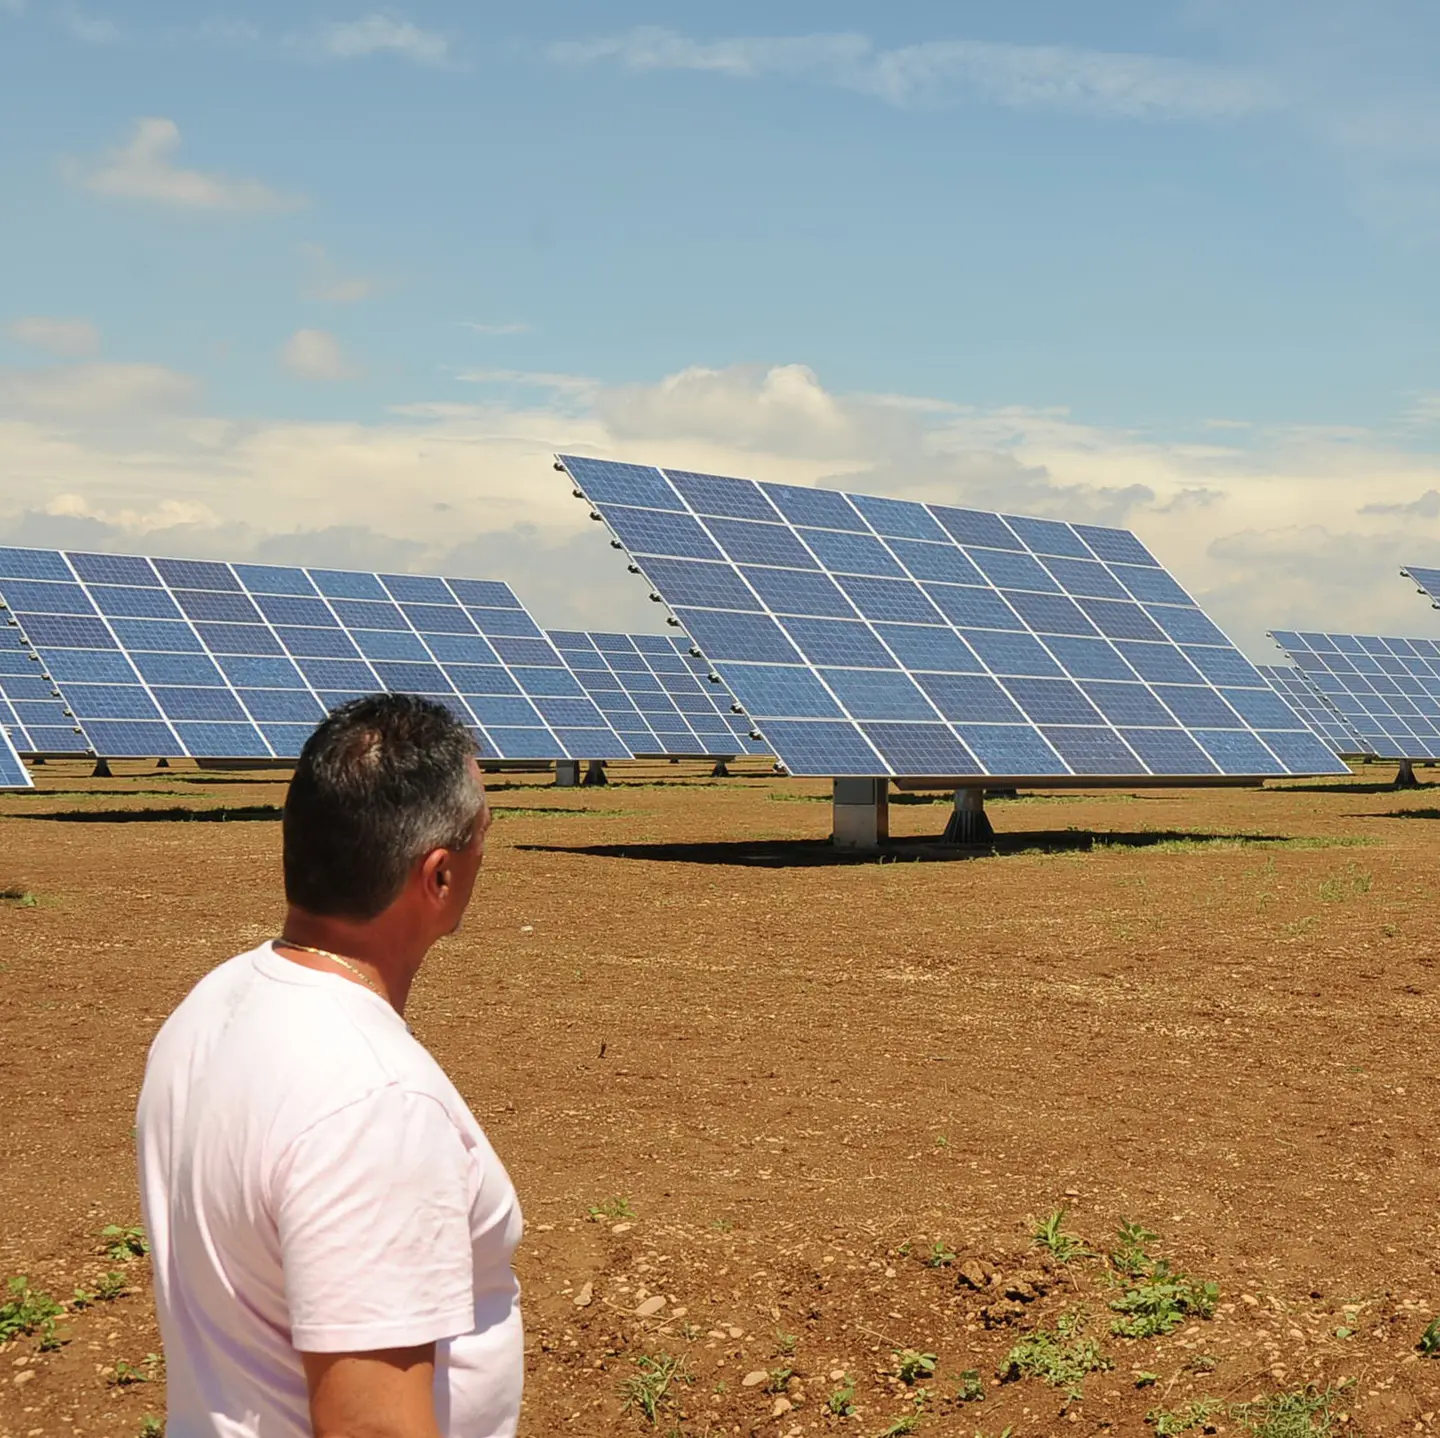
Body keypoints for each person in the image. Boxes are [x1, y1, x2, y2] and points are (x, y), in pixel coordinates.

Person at [136, 693, 523, 1438]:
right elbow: (373, 1426)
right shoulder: (376, 1102)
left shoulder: (213, 1006)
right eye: (482, 835)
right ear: (437, 876)